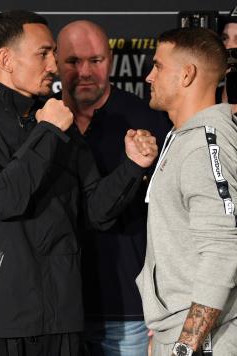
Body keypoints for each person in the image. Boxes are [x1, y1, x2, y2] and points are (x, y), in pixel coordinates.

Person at [0, 10, 158, 356]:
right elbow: (3, 198)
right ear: (6, 59)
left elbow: (96, 212)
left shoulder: (55, 122)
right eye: (44, 53)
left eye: (53, 53)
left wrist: (131, 167)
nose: (54, 65)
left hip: (62, 321)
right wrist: (48, 132)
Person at [56, 20, 171, 356]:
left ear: (112, 59)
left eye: (96, 60)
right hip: (59, 309)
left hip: (128, 308)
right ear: (54, 62)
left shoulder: (148, 118)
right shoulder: (41, 122)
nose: (86, 71)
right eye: (73, 62)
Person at [136, 27, 237, 355]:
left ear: (187, 74)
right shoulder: (185, 138)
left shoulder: (205, 145)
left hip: (204, 340)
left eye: (158, 66)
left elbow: (222, 253)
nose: (149, 76)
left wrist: (185, 345)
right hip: (179, 329)